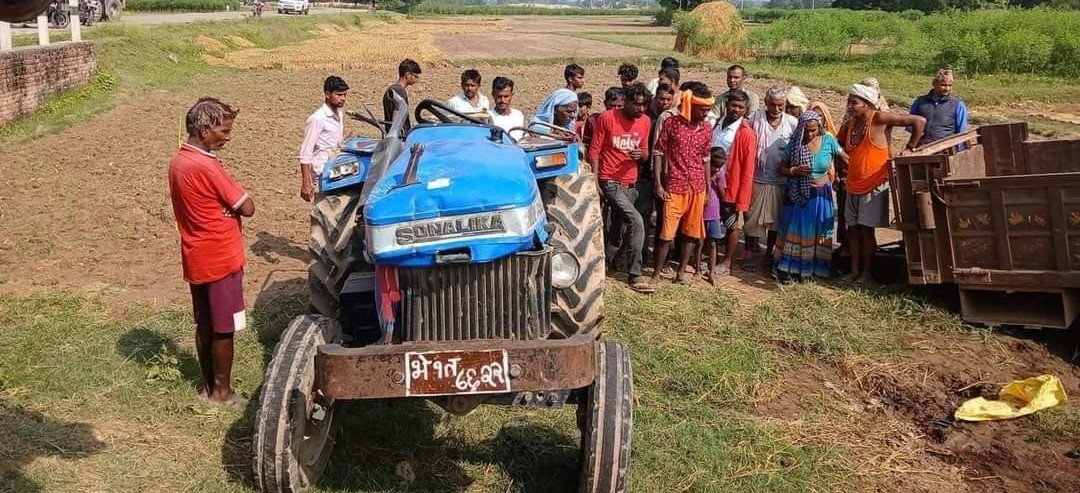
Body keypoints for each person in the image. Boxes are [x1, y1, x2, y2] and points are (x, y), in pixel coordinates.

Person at [168, 97, 253, 406]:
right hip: (221, 256)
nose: (227, 138)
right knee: (225, 327)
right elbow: (247, 207)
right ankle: (222, 393)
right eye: (224, 131)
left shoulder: (178, 161)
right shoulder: (207, 166)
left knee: (204, 323)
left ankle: (207, 387)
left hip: (196, 255)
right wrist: (229, 209)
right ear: (205, 130)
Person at [837, 83, 925, 286]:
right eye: (849, 102)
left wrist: (910, 148)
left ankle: (867, 275)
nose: (850, 106)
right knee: (853, 230)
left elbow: (919, 121)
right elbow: (838, 143)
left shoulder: (880, 119)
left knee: (867, 231)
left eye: (854, 102)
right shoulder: (851, 124)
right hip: (853, 184)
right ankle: (854, 272)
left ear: (867, 104)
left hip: (874, 184)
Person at [588, 83, 653, 293]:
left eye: (644, 105)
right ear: (626, 101)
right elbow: (595, 151)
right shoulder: (607, 118)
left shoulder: (645, 121)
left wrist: (641, 156)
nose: (640, 109)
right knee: (637, 221)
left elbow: (645, 153)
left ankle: (606, 264)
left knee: (618, 228)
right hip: (610, 180)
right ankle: (635, 274)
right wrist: (595, 181)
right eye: (637, 104)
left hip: (631, 182)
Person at [649, 83, 715, 287]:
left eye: (707, 109)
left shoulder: (707, 129)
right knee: (666, 234)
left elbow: (706, 159)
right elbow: (658, 152)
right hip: (674, 186)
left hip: (697, 187)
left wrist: (708, 189)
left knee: (691, 233)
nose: (705, 113)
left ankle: (680, 274)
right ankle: (656, 275)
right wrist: (658, 184)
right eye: (702, 109)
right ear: (690, 105)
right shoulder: (672, 123)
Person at [775, 110, 847, 282]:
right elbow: (781, 168)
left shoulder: (828, 140)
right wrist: (794, 171)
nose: (809, 134)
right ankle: (797, 270)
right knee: (802, 230)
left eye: (813, 130)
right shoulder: (795, 143)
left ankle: (818, 271)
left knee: (821, 230)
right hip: (802, 195)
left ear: (819, 127)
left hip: (822, 195)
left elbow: (844, 157)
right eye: (806, 130)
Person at [743, 86, 798, 271]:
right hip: (757, 177)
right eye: (773, 105)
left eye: (780, 105)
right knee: (752, 218)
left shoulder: (791, 123)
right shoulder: (755, 119)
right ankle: (748, 253)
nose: (776, 109)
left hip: (781, 181)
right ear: (766, 103)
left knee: (775, 221)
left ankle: (769, 254)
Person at [713, 90, 757, 277]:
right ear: (726, 105)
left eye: (741, 107)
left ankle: (727, 262)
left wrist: (742, 197)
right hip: (710, 181)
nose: (736, 110)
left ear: (746, 110)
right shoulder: (718, 123)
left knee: (731, 223)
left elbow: (748, 169)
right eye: (734, 105)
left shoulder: (746, 134)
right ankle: (710, 257)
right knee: (710, 219)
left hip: (730, 185)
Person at [297, 75, 348, 203]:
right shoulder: (318, 118)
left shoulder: (339, 114)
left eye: (344, 95)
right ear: (327, 94)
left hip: (336, 171)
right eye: (339, 95)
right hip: (321, 175)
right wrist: (306, 183)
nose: (343, 98)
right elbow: (305, 152)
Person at [910, 68, 968, 147]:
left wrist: (959, 151)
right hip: (921, 147)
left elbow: (962, 132)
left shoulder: (958, 105)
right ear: (934, 83)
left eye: (950, 85)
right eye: (943, 85)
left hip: (945, 149)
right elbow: (910, 124)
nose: (947, 89)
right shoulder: (920, 102)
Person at [702, 147, 727, 285]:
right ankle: (697, 268)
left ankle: (711, 272)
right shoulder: (701, 173)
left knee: (712, 243)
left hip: (713, 214)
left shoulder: (720, 175)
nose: (717, 169)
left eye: (720, 167)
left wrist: (716, 182)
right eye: (715, 166)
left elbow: (723, 196)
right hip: (700, 213)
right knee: (699, 242)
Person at [383, 59, 421, 135]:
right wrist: (397, 136)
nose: (417, 80)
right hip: (400, 137)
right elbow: (396, 118)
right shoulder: (400, 91)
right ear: (407, 75)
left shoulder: (390, 89)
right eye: (415, 76)